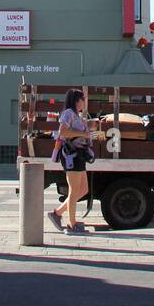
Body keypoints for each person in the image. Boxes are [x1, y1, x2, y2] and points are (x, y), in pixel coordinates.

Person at [47, 89, 95, 234]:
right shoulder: (68, 113)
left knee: (83, 189)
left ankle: (57, 213)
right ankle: (71, 224)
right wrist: (84, 133)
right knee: (74, 190)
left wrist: (89, 129)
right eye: (83, 98)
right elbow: (63, 132)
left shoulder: (77, 115)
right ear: (76, 100)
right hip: (71, 155)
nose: (85, 101)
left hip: (79, 155)